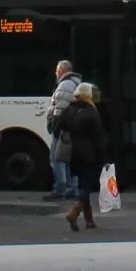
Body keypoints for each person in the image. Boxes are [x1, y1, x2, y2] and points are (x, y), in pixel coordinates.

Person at [59, 81, 108, 232]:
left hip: (73, 154)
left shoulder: (69, 110)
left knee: (82, 185)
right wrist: (104, 159)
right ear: (89, 96)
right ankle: (74, 212)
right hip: (89, 155)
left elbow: (58, 128)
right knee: (86, 186)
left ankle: (89, 221)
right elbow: (98, 139)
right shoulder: (92, 112)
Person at [42, 60, 83, 202]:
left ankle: (60, 189)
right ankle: (73, 188)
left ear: (63, 70)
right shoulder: (76, 83)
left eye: (57, 70)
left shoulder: (65, 84)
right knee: (69, 159)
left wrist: (54, 125)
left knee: (57, 158)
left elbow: (59, 108)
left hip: (63, 129)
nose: (55, 73)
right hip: (72, 127)